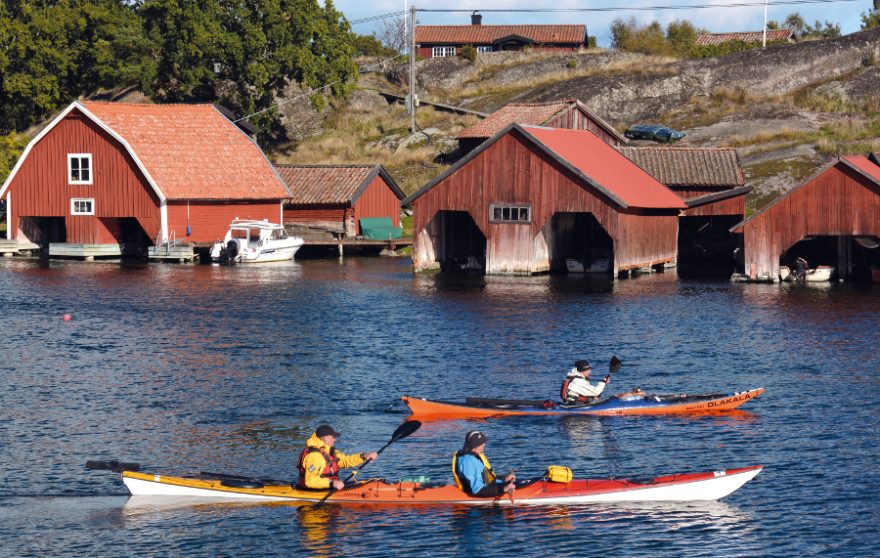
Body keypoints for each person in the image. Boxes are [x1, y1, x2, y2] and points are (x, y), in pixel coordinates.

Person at [297, 424, 378, 490]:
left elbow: (345, 461)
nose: (335, 439)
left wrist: (364, 456)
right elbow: (310, 481)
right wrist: (332, 483)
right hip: (315, 490)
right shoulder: (315, 457)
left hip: (329, 487)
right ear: (325, 438)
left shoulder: (329, 451)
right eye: (333, 437)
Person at [452, 430, 516, 497]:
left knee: (521, 483)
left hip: (486, 486)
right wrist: (503, 489)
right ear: (476, 445)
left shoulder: (471, 457)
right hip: (477, 496)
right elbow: (477, 490)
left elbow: (486, 478)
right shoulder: (469, 462)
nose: (484, 444)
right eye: (482, 442)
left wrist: (504, 479)